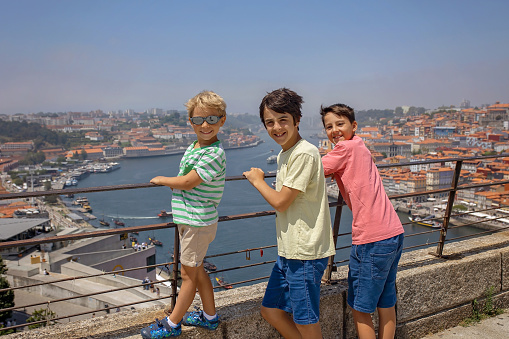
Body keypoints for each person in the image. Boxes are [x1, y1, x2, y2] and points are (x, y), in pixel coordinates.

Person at [243, 88, 335, 339]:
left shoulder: (304, 152)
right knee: (270, 310)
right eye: (269, 122)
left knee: (306, 319)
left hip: (305, 252)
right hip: (289, 251)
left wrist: (257, 180)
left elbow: (282, 202)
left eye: (283, 120)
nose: (276, 128)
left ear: (297, 120)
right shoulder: (287, 153)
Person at [141, 91, 227, 339]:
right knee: (198, 270)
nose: (205, 125)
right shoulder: (196, 147)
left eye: (212, 119)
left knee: (188, 276)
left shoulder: (214, 153)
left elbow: (189, 181)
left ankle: (172, 323)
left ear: (222, 121)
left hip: (196, 221)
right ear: (190, 122)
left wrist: (163, 180)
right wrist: (177, 182)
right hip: (192, 219)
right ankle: (210, 318)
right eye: (199, 120)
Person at [320, 103, 404, 339]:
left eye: (340, 124)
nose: (334, 129)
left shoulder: (343, 149)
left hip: (372, 239)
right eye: (329, 126)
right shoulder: (358, 144)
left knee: (360, 308)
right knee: (385, 303)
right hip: (394, 232)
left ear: (353, 125)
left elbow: (312, 170)